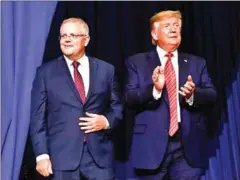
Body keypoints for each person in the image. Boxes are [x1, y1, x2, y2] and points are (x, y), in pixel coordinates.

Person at [124, 10, 217, 179]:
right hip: (151, 146)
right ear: (154, 33)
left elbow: (212, 95)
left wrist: (192, 95)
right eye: (167, 26)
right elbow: (130, 98)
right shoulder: (136, 62)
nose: (173, 30)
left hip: (187, 147)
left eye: (176, 26)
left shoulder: (197, 63)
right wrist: (155, 89)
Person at [30, 17, 123, 180]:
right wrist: (41, 155)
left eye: (72, 35)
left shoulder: (106, 70)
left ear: (85, 40)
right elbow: (37, 118)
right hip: (61, 160)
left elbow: (117, 108)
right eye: (63, 35)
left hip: (99, 160)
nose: (66, 39)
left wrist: (106, 121)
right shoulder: (45, 73)